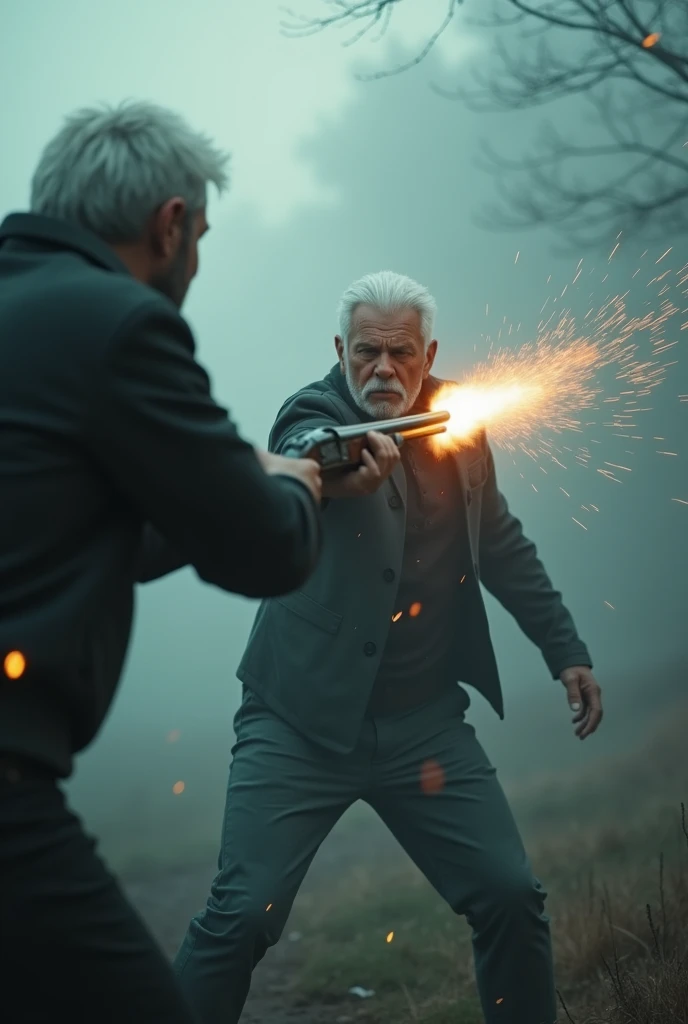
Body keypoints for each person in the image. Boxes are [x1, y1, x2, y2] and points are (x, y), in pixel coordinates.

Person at [172, 270, 604, 1024]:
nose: (382, 369)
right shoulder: (313, 414)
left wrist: (564, 648)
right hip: (297, 722)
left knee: (510, 896)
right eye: (365, 351)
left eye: (400, 353)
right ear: (340, 349)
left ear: (427, 352)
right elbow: (298, 443)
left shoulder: (461, 421)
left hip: (425, 726)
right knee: (239, 917)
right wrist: (331, 461)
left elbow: (498, 541)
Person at [0, 101, 322, 1023]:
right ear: (171, 224)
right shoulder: (118, 323)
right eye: (202, 236)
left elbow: (80, 531)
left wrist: (233, 483)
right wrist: (298, 487)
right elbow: (265, 552)